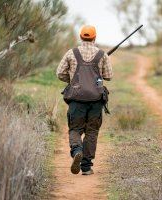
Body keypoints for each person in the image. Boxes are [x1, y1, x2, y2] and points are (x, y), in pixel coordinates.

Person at [56, 25, 113, 175]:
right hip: (96, 100)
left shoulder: (71, 53)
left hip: (76, 100)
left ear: (81, 37)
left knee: (75, 129)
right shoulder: (102, 54)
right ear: (94, 38)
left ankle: (76, 152)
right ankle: (86, 167)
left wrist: (73, 81)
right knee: (92, 132)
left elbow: (60, 73)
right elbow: (109, 76)